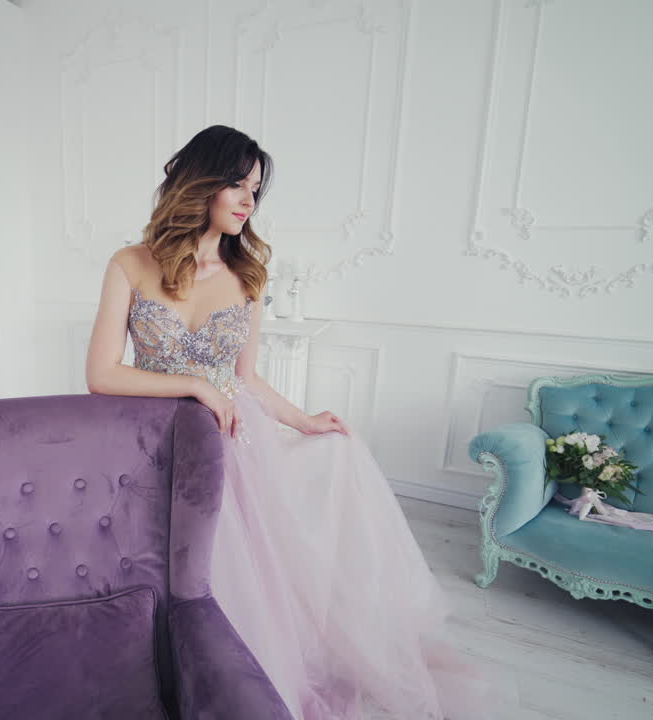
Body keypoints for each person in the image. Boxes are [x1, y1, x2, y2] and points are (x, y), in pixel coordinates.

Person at [86, 125, 498, 719]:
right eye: (238, 185)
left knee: (234, 568)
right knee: (163, 564)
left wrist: (305, 422)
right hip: (150, 440)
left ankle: (235, 675)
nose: (250, 201)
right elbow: (101, 374)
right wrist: (196, 384)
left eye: (256, 190)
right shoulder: (129, 263)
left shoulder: (248, 272)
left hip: (232, 440)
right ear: (201, 183)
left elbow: (247, 378)